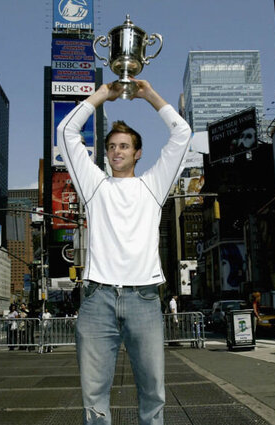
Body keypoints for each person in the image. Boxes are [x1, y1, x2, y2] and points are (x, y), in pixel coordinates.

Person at [57, 78, 191, 425]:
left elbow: (182, 135)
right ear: (106, 152)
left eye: (125, 146)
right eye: (112, 146)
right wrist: (102, 95)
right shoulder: (94, 186)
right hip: (97, 300)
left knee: (153, 394)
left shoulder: (153, 186)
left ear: (138, 152)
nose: (117, 151)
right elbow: (66, 133)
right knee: (94, 397)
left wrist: (149, 95)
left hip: (144, 300)